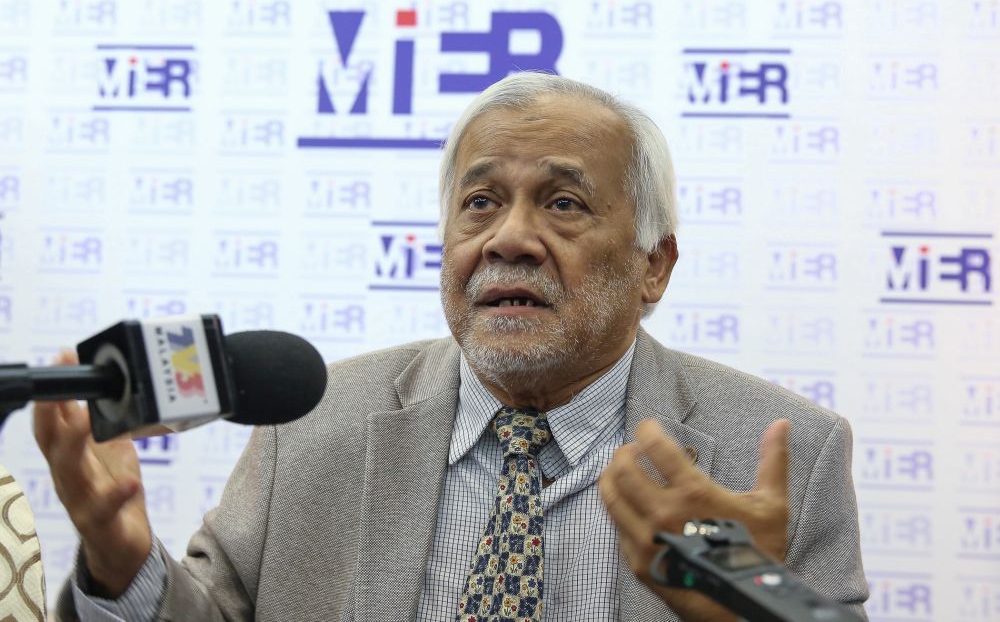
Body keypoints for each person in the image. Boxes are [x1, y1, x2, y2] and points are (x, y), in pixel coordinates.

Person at [35, 72, 868, 622]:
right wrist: (123, 560)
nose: (509, 238)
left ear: (654, 265)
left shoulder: (778, 451)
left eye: (564, 203)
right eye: (479, 202)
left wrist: (759, 602)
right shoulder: (316, 422)